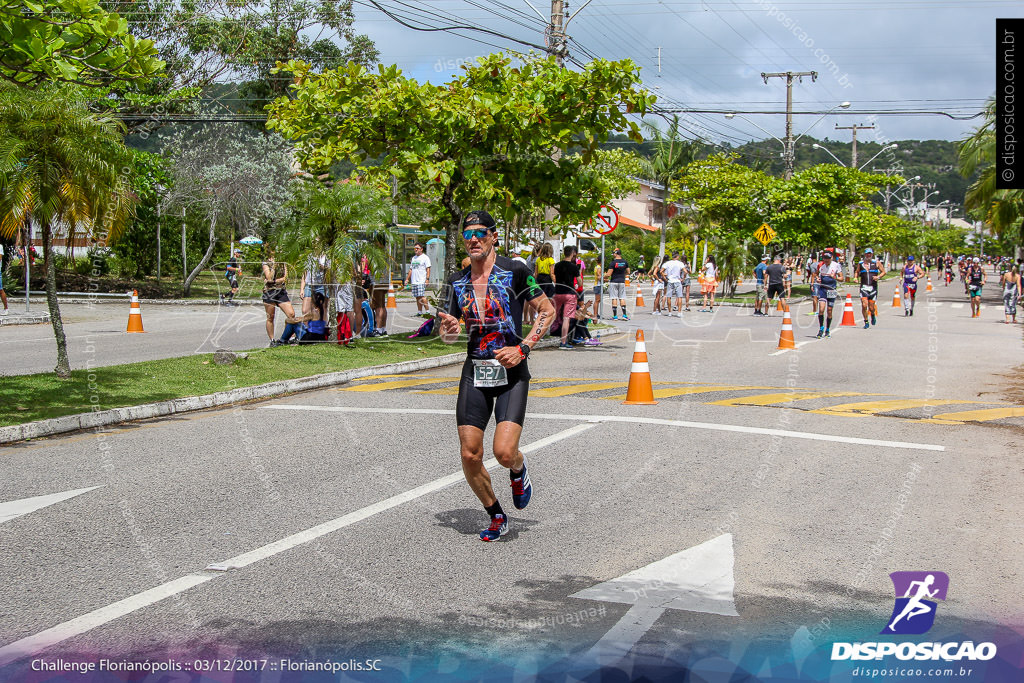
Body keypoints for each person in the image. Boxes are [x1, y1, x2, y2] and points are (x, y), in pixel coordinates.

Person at [436, 210, 554, 542]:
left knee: (503, 452)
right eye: (467, 235)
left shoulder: (516, 270)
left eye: (480, 233)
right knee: (469, 453)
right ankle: (495, 514)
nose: (473, 239)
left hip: (512, 372)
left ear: (493, 236)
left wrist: (525, 347)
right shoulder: (455, 282)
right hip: (475, 371)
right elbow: (447, 335)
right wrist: (449, 329)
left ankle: (518, 468)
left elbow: (547, 310)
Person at [261, 249, 296, 347]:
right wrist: (274, 267)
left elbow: (285, 278)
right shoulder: (266, 263)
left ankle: (286, 338)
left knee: (291, 314)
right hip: (269, 292)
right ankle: (272, 340)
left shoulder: (283, 262)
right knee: (270, 317)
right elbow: (269, 278)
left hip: (281, 291)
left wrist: (274, 281)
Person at [552, 245, 580, 349]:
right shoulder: (574, 267)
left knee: (553, 315)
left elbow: (555, 277)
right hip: (569, 294)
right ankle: (563, 342)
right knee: (566, 318)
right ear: (573, 253)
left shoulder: (557, 265)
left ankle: (545, 333)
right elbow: (580, 282)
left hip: (557, 293)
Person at [813, 251, 844, 338]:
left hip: (832, 290)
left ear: (831, 258)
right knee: (821, 309)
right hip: (823, 289)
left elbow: (842, 278)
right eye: (825, 258)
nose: (826, 260)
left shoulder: (836, 265)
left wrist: (835, 277)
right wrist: (818, 279)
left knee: (829, 310)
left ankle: (827, 329)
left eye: (828, 258)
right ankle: (821, 328)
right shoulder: (820, 265)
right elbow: (815, 274)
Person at [857, 248, 886, 325]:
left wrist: (878, 277)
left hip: (873, 287)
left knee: (871, 307)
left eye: (870, 253)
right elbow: (857, 272)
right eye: (867, 253)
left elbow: (883, 272)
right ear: (865, 254)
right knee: (864, 305)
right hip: (863, 287)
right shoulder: (860, 263)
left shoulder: (876, 263)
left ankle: (872, 315)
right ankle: (866, 321)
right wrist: (855, 278)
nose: (868, 255)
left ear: (872, 254)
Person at [405, 242, 432, 315]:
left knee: (422, 296)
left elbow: (428, 269)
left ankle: (427, 311)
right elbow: (411, 269)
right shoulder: (414, 258)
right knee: (417, 297)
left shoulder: (425, 258)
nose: (416, 250)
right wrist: (407, 279)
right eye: (415, 248)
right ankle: (419, 311)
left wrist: (427, 279)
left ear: (421, 249)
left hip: (421, 280)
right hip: (414, 281)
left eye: (417, 248)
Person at [605, 247, 630, 320]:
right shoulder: (625, 262)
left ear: (616, 254)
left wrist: (604, 276)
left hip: (614, 281)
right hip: (622, 281)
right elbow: (628, 272)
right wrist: (622, 273)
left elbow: (609, 274)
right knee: (622, 298)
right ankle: (624, 315)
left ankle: (615, 316)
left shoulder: (613, 263)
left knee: (614, 298)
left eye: (613, 253)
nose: (613, 255)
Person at [661, 251, 685, 317]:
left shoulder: (667, 263)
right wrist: (683, 278)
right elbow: (685, 271)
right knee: (679, 296)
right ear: (677, 256)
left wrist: (665, 278)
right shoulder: (680, 263)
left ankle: (669, 312)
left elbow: (661, 271)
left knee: (669, 296)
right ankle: (679, 312)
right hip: (677, 281)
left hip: (670, 281)